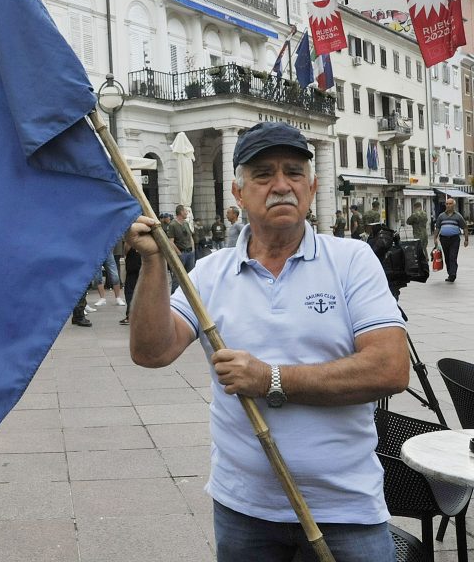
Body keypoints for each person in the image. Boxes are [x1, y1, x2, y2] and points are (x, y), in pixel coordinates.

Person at [126, 121, 408, 562]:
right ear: (238, 194)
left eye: (294, 173)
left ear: (312, 188)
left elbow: (390, 368)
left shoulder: (352, 260)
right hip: (244, 509)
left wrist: (270, 378)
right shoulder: (210, 272)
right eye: (263, 175)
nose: (281, 185)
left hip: (345, 510)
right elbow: (152, 352)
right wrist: (152, 265)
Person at [432, 198, 469, 283]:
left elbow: (465, 227)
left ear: (454, 205)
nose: (448, 205)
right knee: (447, 257)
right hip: (444, 239)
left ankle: (453, 274)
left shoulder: (458, 216)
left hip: (454, 239)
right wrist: (435, 238)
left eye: (450, 204)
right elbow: (437, 228)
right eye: (447, 204)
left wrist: (466, 239)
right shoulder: (441, 216)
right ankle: (450, 273)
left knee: (453, 257)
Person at [170, 204, 196, 273]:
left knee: (191, 275)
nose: (187, 213)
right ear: (181, 212)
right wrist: (179, 253)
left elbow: (190, 237)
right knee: (178, 276)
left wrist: (193, 249)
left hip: (190, 253)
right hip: (181, 254)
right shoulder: (173, 225)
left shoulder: (186, 223)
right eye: (186, 211)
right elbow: (171, 241)